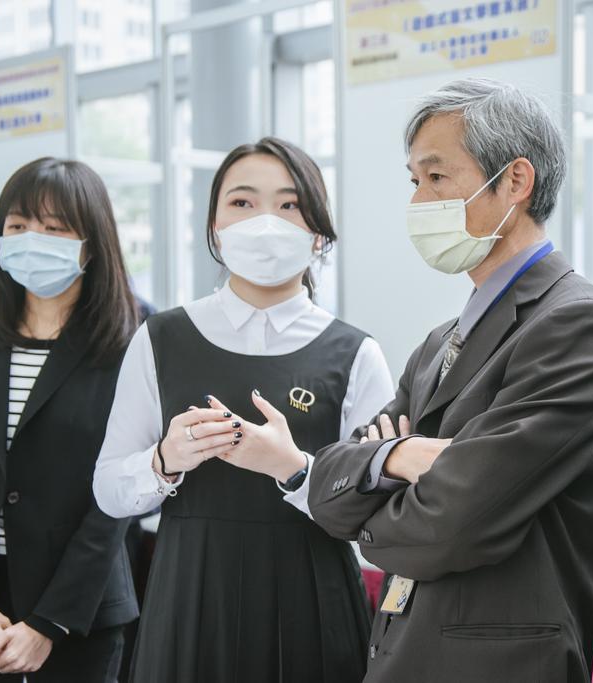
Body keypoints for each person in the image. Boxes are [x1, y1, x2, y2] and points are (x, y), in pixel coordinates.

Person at [308, 78, 593, 683]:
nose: (419, 199)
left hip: (499, 664)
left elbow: (453, 526)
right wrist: (399, 456)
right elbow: (327, 486)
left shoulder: (575, 322)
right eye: (413, 181)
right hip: (402, 655)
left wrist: (370, 508)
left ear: (515, 181)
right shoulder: (439, 342)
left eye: (436, 176)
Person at [92, 136, 394, 683]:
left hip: (313, 600)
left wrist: (296, 470)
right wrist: (164, 460)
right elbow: (109, 490)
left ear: (319, 232)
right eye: (242, 202)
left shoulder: (355, 354)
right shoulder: (160, 338)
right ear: (214, 226)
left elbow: (382, 525)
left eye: (289, 204)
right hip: (190, 598)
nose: (265, 222)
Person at [0, 158, 143, 681]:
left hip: (79, 614)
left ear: (92, 245)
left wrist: (49, 621)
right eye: (18, 226)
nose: (33, 240)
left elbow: (116, 503)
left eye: (55, 228)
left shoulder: (132, 352)